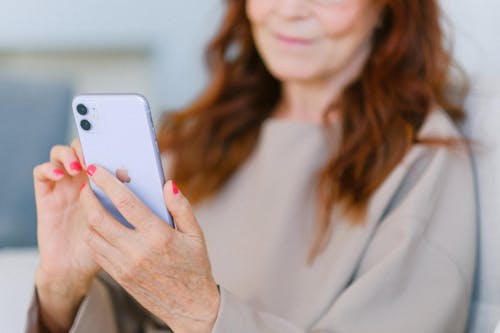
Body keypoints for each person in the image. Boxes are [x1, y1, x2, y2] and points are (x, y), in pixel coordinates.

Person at [26, 0, 476, 332]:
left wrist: (200, 311)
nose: (290, 9)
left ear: (390, 9)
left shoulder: (423, 162)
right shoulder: (196, 136)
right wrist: (62, 289)